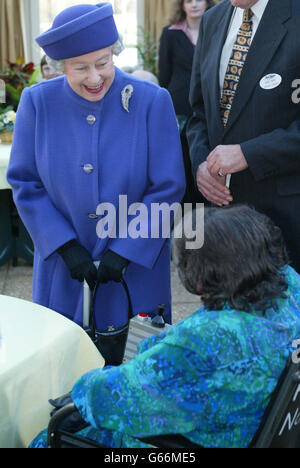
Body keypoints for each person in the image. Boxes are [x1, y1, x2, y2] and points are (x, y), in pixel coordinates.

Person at [29, 204, 300, 448]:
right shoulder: (292, 289)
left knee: (52, 434)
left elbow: (113, 397)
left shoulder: (208, 340)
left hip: (205, 439)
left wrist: (80, 392)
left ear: (197, 279)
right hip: (251, 423)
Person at [7, 3, 185, 364]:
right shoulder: (37, 103)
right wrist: (65, 246)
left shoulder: (152, 101)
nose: (94, 78)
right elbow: (25, 183)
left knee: (138, 369)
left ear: (115, 54)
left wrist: (126, 250)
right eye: (80, 67)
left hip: (136, 268)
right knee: (64, 369)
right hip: (64, 268)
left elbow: (167, 186)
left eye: (103, 62)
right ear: (59, 67)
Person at [187, 0, 300, 272]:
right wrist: (202, 165)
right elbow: (199, 112)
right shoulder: (213, 19)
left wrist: (249, 153)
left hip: (287, 215)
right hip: (224, 217)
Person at [159, 0, 215, 206]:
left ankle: (207, 209)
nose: (194, 5)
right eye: (188, 1)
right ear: (181, 5)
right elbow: (164, 75)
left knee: (205, 158)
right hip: (179, 108)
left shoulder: (217, 29)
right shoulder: (170, 33)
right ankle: (184, 210)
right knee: (181, 158)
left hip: (209, 105)